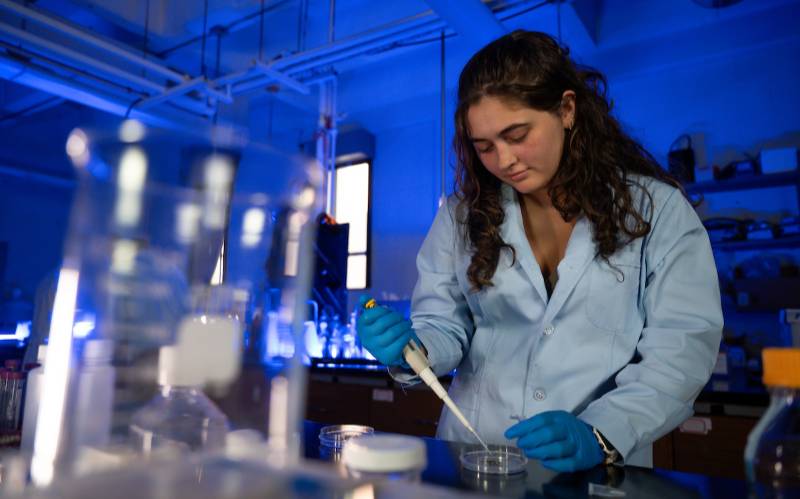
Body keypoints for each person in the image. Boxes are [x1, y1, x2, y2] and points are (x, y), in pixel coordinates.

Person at [356, 30, 722, 471]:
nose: (504, 159)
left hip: (596, 466)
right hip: (476, 453)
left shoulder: (655, 211)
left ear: (567, 110)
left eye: (517, 134)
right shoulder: (461, 217)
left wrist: (601, 432)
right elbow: (445, 325)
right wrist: (413, 348)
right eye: (485, 147)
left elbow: (680, 351)